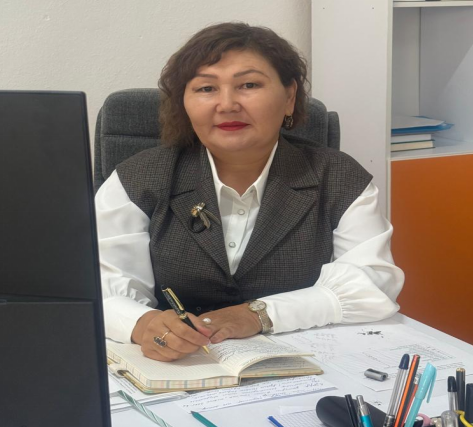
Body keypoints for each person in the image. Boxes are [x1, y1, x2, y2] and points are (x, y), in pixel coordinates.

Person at [96, 22, 404, 363]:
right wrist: (143, 323)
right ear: (184, 103)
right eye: (206, 88)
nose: (227, 104)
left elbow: (371, 282)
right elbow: (100, 285)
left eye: (249, 85)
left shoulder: (339, 177)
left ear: (289, 97)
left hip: (309, 364)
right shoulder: (138, 179)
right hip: (178, 366)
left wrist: (258, 314)